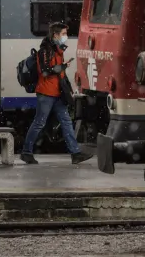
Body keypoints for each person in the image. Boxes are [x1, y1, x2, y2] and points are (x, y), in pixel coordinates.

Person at [20, 22, 93, 165]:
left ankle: (75, 154)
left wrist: (69, 90)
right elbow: (45, 71)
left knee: (66, 122)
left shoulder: (58, 50)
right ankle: (26, 152)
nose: (65, 37)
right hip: (46, 94)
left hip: (58, 93)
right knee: (39, 123)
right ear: (55, 35)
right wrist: (63, 66)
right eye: (64, 34)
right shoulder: (45, 51)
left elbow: (61, 75)